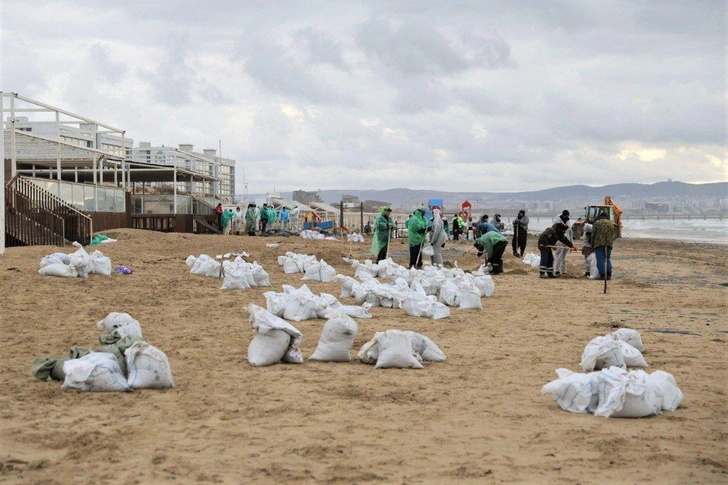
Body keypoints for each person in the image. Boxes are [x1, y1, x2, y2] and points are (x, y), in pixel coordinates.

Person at [590, 212, 615, 280]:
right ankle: (609, 273)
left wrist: (592, 245)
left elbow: (593, 235)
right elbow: (613, 234)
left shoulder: (597, 223)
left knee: (600, 259)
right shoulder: (611, 223)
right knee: (607, 258)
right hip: (608, 244)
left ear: (600, 217)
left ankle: (603, 274)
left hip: (599, 244)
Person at [553, 210, 572, 276]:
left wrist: (571, 244)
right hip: (559, 240)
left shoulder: (568, 222)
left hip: (567, 241)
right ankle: (556, 270)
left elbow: (570, 233)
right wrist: (554, 243)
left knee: (563, 257)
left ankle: (563, 270)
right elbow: (554, 232)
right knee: (558, 255)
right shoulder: (557, 222)